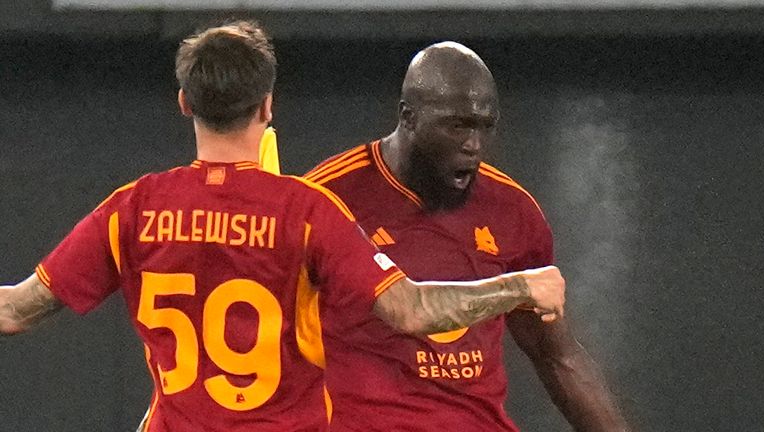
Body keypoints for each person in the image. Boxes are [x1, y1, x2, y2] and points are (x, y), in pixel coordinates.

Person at [0, 23, 566, 432]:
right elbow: (411, 310)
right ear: (268, 106)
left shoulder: (134, 208)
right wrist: (518, 286)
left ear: (183, 102)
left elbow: (14, 310)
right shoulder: (307, 210)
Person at [305, 41, 629, 432]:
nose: (473, 145)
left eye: (484, 126)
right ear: (408, 117)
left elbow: (556, 356)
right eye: (457, 125)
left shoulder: (514, 211)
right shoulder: (325, 199)